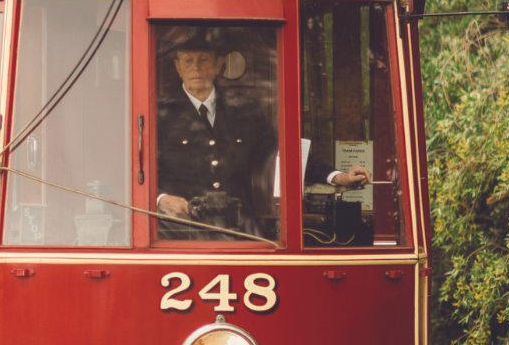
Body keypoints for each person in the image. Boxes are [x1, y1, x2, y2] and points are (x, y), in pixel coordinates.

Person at [154, 25, 368, 238]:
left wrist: (338, 176)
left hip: (237, 231)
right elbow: (134, 172)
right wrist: (160, 199)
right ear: (178, 67)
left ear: (218, 65)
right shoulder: (160, 112)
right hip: (179, 231)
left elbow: (280, 153)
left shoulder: (244, 109)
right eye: (188, 61)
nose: (196, 68)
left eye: (204, 60)